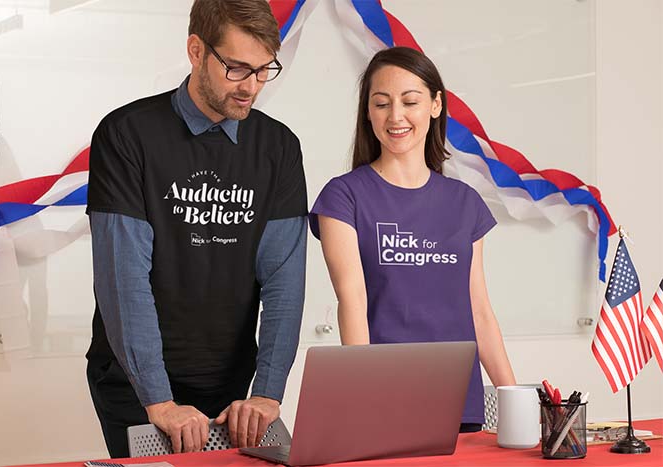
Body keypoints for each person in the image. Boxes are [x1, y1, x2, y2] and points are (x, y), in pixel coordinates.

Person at [85, 0, 307, 458]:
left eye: (265, 70)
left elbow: (284, 278)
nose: (251, 88)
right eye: (237, 68)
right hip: (136, 385)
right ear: (196, 50)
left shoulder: (279, 147)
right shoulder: (126, 134)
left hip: (231, 387)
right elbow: (124, 277)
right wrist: (160, 401)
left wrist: (266, 391)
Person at [309, 47, 515, 431]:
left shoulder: (465, 202)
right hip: (382, 403)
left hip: (458, 404)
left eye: (410, 101)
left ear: (436, 105)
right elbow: (352, 301)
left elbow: (480, 312)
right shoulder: (343, 197)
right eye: (381, 103)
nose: (396, 116)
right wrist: (362, 397)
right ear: (368, 113)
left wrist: (514, 399)